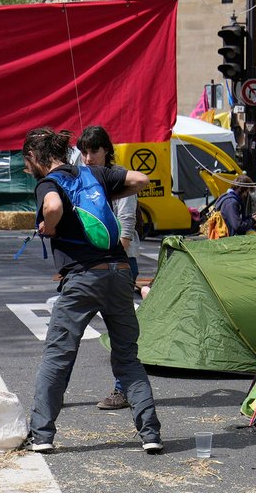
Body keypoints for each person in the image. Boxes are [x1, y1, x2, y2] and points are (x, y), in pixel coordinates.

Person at [20, 127, 160, 455]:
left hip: (83, 278)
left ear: (34, 158)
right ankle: (150, 433)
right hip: (120, 273)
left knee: (58, 355)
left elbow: (52, 207)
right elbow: (141, 180)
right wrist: (99, 193)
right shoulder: (93, 173)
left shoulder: (48, 183)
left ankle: (41, 435)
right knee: (127, 357)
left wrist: (51, 225)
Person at [78, 126, 155, 413]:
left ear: (106, 151)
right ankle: (52, 392)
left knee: (120, 330)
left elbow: (126, 226)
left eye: (93, 151)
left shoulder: (118, 177)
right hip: (88, 263)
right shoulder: (81, 177)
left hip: (118, 263)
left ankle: (122, 390)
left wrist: (106, 262)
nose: (87, 158)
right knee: (69, 328)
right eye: (83, 151)